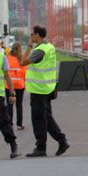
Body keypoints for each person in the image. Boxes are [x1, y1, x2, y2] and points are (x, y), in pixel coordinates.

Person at [22, 25, 69, 157]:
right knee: (46, 117)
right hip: (47, 87)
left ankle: (41, 147)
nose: (31, 37)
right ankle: (61, 140)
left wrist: (29, 46)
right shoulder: (49, 47)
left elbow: (23, 61)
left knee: (39, 118)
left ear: (37, 35)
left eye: (32, 34)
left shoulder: (39, 50)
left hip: (39, 89)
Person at [5, 42, 26, 131]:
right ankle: (19, 125)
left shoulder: (7, 58)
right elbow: (25, 72)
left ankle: (9, 124)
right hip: (20, 84)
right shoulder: (21, 59)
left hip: (9, 85)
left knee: (10, 104)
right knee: (19, 104)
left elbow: (5, 71)